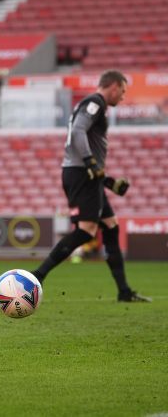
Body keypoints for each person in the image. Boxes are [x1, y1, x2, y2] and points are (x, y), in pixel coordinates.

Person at [31, 70, 150, 302]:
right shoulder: (95, 102)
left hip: (84, 175)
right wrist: (90, 162)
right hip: (80, 174)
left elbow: (86, 150)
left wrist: (107, 181)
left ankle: (124, 291)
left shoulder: (93, 106)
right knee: (86, 231)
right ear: (113, 87)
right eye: (123, 91)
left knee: (111, 226)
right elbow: (77, 131)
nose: (123, 97)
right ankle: (37, 276)